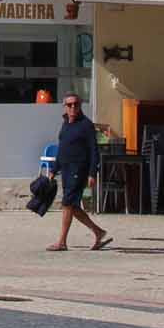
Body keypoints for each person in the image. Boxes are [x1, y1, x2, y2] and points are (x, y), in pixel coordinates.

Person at [47, 92, 113, 252]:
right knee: (73, 207)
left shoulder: (86, 125)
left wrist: (92, 173)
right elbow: (62, 149)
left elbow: (93, 151)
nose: (73, 107)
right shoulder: (65, 124)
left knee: (67, 204)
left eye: (76, 104)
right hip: (66, 170)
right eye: (69, 104)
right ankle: (98, 232)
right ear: (65, 106)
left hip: (79, 170)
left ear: (80, 105)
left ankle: (62, 242)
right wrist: (54, 170)